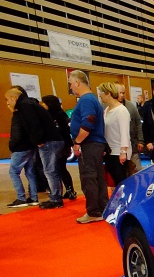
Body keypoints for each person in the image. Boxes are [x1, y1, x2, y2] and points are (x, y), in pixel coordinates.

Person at [68, 69, 108, 223]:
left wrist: (77, 141)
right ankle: (101, 207)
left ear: (77, 82)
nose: (71, 87)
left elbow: (89, 121)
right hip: (95, 144)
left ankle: (93, 211)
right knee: (97, 177)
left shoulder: (86, 100)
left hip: (89, 144)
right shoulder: (91, 99)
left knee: (88, 177)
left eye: (71, 84)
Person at [5, 87, 39, 207]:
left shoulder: (17, 115)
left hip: (20, 147)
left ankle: (21, 198)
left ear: (14, 98)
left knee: (13, 172)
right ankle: (34, 197)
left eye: (8, 99)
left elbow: (17, 134)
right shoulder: (25, 111)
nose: (7, 103)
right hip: (30, 146)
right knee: (29, 171)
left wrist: (12, 146)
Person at [40, 95, 77, 200]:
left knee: (60, 168)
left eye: (44, 103)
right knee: (57, 169)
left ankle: (69, 190)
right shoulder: (48, 114)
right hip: (58, 144)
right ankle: (62, 190)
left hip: (62, 145)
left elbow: (65, 131)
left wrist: (68, 145)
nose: (43, 105)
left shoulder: (60, 115)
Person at [98, 82, 132, 187]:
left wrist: (123, 151)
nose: (100, 96)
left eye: (101, 94)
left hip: (119, 152)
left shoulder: (122, 111)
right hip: (109, 150)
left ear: (108, 94)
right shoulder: (107, 109)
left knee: (121, 180)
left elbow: (124, 133)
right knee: (115, 180)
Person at [115, 83, 144, 173]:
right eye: (120, 93)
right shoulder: (106, 106)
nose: (122, 95)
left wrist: (140, 140)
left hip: (132, 144)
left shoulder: (131, 106)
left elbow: (138, 123)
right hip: (115, 148)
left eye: (123, 93)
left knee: (136, 171)